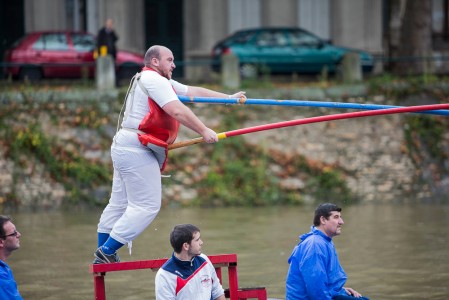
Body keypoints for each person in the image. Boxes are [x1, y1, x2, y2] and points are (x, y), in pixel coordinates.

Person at [93, 45, 246, 264]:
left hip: (126, 145)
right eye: (170, 60)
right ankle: (106, 251)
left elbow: (193, 93)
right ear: (155, 62)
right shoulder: (153, 80)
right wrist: (204, 130)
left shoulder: (155, 80)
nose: (174, 65)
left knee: (119, 203)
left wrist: (228, 98)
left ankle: (102, 251)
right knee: (146, 206)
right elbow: (176, 110)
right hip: (136, 148)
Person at [285, 203, 369, 300]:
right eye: (336, 217)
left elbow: (325, 281)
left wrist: (341, 290)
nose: (342, 222)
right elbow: (315, 288)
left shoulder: (324, 241)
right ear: (323, 220)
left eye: (340, 217)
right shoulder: (315, 245)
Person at [155, 224, 226, 300]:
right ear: (186, 246)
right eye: (197, 240)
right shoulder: (164, 275)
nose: (201, 242)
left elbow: (217, 292)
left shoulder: (204, 259)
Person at [0, 215, 23, 300]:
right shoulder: (1, 278)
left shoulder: (3, 268)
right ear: (1, 241)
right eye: (14, 233)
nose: (19, 234)